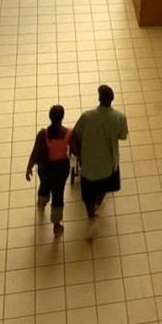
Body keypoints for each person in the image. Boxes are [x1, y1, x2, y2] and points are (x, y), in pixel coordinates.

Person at [71, 84, 128, 237]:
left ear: (99, 98)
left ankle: (91, 219)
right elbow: (123, 136)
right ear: (112, 99)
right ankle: (98, 204)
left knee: (88, 193)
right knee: (103, 187)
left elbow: (75, 134)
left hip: (89, 163)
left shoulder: (87, 117)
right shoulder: (119, 118)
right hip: (109, 164)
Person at [26, 105, 71, 236]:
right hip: (61, 169)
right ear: (62, 117)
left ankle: (42, 201)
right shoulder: (68, 133)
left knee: (44, 185)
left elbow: (35, 152)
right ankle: (56, 226)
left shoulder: (43, 134)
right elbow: (75, 149)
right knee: (58, 195)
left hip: (45, 168)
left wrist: (29, 167)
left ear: (50, 117)